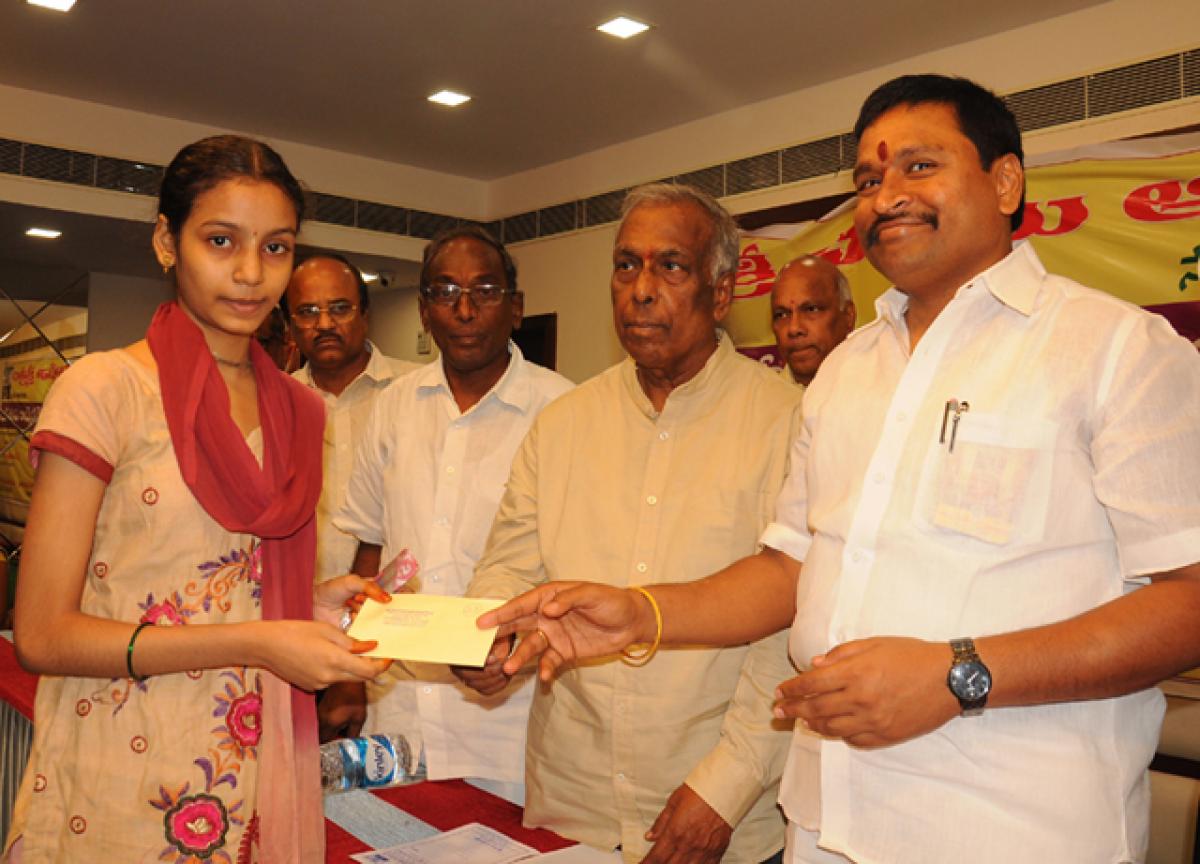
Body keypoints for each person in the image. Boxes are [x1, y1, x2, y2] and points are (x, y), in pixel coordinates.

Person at [481, 75, 1200, 864]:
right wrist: (642, 613)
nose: (885, 196)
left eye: (919, 166)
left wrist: (958, 675)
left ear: (1004, 182)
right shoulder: (847, 373)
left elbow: (1190, 599)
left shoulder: (1114, 350)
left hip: (1011, 832)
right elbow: (789, 569)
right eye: (866, 180)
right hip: (826, 823)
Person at [4, 135, 390, 864]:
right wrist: (255, 641)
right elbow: (43, 635)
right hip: (119, 769)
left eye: (276, 248)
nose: (250, 273)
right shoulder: (106, 392)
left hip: (255, 769)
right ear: (166, 242)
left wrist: (308, 609)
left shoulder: (299, 412)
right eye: (221, 241)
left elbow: (221, 586)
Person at [465, 184, 802, 863]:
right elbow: (507, 568)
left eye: (670, 267)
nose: (641, 290)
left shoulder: (788, 421)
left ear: (721, 292)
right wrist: (485, 640)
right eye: (626, 266)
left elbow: (792, 631)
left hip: (722, 813)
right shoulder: (563, 424)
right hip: (573, 804)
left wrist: (725, 788)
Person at [333, 224, 572, 802]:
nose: (464, 311)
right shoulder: (392, 407)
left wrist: (518, 646)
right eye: (444, 293)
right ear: (424, 310)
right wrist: (349, 672)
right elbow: (371, 546)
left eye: (484, 292)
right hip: (399, 703)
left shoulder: (564, 410)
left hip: (509, 713)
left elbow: (580, 566)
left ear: (515, 308)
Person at [284, 254, 419, 589]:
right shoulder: (274, 402)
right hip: (302, 600)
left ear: (366, 315)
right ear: (291, 325)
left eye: (340, 308)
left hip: (398, 598)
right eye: (308, 312)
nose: (325, 324)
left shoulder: (417, 392)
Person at [769, 255, 854, 387]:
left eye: (811, 309)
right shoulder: (758, 397)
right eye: (781, 315)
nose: (794, 328)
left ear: (848, 316)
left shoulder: (883, 386)